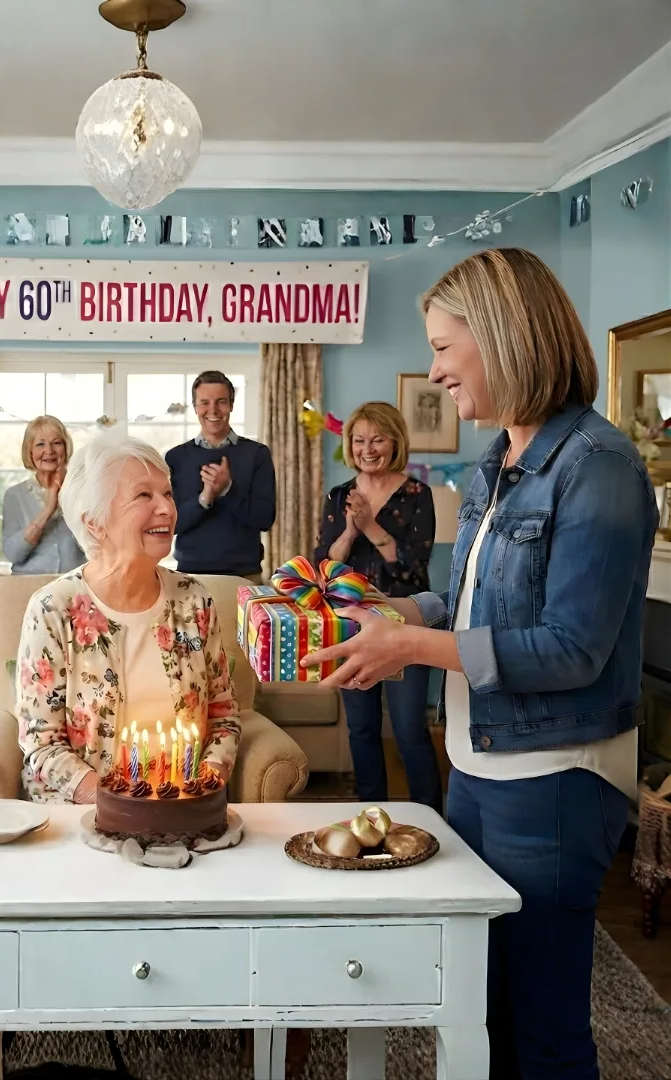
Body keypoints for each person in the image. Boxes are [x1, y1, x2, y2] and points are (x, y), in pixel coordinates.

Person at [301, 248, 658, 1079]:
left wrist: (412, 649)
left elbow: (572, 647)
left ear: (501, 338)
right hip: (478, 768)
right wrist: (389, 617)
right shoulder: (499, 462)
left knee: (543, 1029)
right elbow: (467, 606)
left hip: (556, 780)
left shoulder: (598, 468)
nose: (433, 369)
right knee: (481, 1008)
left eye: (442, 347)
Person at [16, 433, 241, 803]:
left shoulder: (194, 600)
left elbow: (223, 716)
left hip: (184, 808)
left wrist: (204, 787)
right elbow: (42, 744)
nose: (167, 509)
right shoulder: (53, 609)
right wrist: (116, 804)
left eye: (167, 494)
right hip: (84, 817)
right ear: (95, 523)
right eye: (143, 495)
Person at [313, 401, 441, 812]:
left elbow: (412, 567)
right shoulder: (338, 496)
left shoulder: (418, 495)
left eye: (378, 439)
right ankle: (370, 815)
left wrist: (371, 525)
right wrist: (351, 532)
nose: (368, 449)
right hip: (352, 625)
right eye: (359, 440)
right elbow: (324, 566)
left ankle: (430, 815)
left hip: (407, 623)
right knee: (362, 728)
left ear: (395, 442)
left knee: (408, 728)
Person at [165, 370, 276, 582]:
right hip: (188, 577)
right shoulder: (176, 457)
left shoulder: (257, 454)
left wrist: (227, 490)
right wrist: (205, 498)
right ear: (195, 407)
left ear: (231, 405)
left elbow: (264, 519)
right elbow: (173, 524)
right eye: (204, 402)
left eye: (221, 402)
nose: (213, 410)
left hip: (245, 577)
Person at [1, 415, 85, 574]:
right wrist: (48, 509)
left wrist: (68, 500)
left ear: (65, 448)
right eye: (40, 444)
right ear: (30, 451)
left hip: (73, 587)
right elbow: (13, 554)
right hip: (29, 588)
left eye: (57, 443)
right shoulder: (14, 495)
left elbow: (95, 547)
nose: (49, 451)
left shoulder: (82, 491)